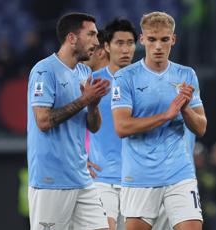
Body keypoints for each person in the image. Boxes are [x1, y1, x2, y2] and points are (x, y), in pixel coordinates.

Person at [111, 11, 207, 230]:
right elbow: (122, 127)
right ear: (142, 40)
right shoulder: (126, 77)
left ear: (173, 40)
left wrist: (185, 108)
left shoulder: (186, 75)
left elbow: (201, 127)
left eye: (164, 39)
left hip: (179, 173)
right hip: (140, 176)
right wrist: (166, 115)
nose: (158, 46)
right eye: (152, 39)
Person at [27, 12, 110, 230]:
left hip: (81, 178)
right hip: (51, 181)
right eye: (91, 34)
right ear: (72, 38)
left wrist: (93, 105)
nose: (96, 41)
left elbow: (94, 126)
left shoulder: (84, 72)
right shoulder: (44, 71)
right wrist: (84, 99)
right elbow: (43, 121)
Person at [87, 17, 137, 230]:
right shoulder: (92, 82)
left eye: (130, 43)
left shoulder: (147, 80)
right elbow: (70, 124)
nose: (125, 49)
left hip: (138, 180)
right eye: (119, 43)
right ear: (106, 47)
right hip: (102, 179)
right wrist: (79, 159)